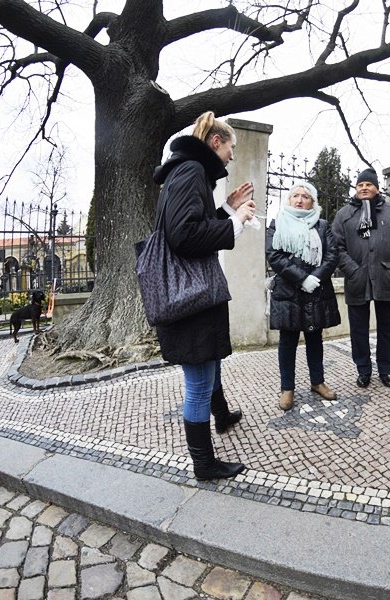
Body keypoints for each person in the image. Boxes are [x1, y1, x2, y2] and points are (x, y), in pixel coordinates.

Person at [152, 111, 256, 481]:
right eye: (231, 147)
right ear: (216, 142)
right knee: (198, 383)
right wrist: (236, 222)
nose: (232, 156)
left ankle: (222, 415)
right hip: (190, 298)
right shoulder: (191, 171)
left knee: (208, 366)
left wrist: (226, 208)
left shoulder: (188, 171)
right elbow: (184, 237)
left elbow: (191, 223)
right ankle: (204, 464)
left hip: (191, 295)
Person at [266, 182, 341, 411]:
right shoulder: (277, 222)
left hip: (316, 291)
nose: (299, 199)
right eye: (295, 195)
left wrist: (315, 278)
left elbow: (332, 255)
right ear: (289, 200)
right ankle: (287, 388)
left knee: (314, 339)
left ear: (313, 201)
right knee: (288, 341)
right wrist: (302, 279)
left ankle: (317, 382)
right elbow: (274, 255)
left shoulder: (322, 225)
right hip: (288, 291)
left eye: (305, 196)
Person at [332, 168, 390, 388]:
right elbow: (336, 248)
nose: (364, 188)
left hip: (387, 278)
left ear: (377, 188)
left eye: (368, 185)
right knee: (358, 329)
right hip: (357, 280)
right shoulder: (344, 214)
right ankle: (363, 370)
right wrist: (353, 270)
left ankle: (386, 369)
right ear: (356, 189)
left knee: (387, 328)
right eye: (360, 185)